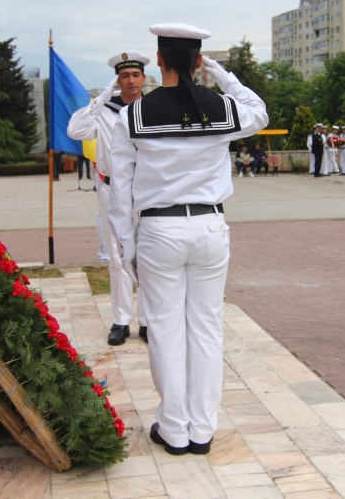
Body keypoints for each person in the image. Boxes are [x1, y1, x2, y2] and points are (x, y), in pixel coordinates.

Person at [108, 23, 268, 455]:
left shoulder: (132, 115)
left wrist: (125, 246)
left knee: (163, 328)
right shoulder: (224, 107)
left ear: (158, 61)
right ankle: (202, 429)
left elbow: (120, 192)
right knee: (206, 326)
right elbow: (260, 109)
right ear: (198, 61)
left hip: (160, 229)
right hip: (210, 227)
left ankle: (174, 427)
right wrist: (221, 74)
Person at [68, 50, 150, 346]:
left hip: (145, 191)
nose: (130, 80)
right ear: (117, 80)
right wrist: (101, 98)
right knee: (117, 256)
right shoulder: (104, 111)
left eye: (135, 75)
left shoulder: (152, 109)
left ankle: (147, 321)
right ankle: (121, 320)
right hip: (110, 188)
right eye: (124, 75)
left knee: (147, 255)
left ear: (143, 79)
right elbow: (75, 130)